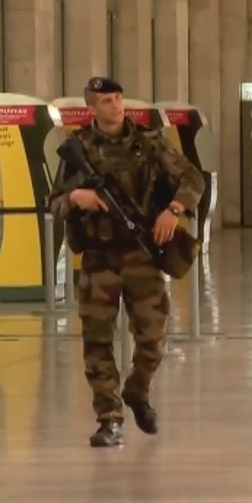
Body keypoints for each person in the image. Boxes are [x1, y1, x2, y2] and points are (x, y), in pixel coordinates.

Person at [48, 77, 205, 448]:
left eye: (118, 98)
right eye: (105, 100)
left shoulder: (148, 143)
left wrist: (173, 209)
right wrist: (76, 198)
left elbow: (191, 176)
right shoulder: (78, 149)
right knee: (97, 341)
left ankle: (138, 390)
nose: (115, 105)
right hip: (99, 258)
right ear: (91, 108)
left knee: (153, 338)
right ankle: (109, 418)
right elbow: (53, 202)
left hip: (142, 253)